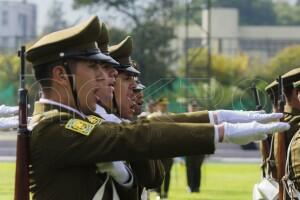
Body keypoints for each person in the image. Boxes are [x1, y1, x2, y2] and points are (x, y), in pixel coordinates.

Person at [26, 16, 289, 200]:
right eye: (93, 67)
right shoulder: (55, 127)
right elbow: (132, 135)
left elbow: (141, 132)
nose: (103, 76)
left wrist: (217, 117)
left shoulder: (76, 121)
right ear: (61, 75)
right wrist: (222, 131)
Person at [185, 100, 205, 193]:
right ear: (189, 108)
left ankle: (196, 187)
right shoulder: (185, 118)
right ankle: (190, 186)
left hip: (199, 147)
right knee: (189, 167)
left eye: (194, 107)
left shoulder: (201, 118)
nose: (193, 108)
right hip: (188, 147)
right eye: (192, 107)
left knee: (197, 167)